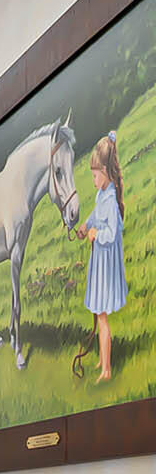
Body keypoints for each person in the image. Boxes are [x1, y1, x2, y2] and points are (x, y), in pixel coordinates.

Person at [76, 131, 128, 382]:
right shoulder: (101, 196)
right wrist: (87, 226)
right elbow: (96, 218)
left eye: (95, 175)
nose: (93, 180)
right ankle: (101, 360)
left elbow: (112, 232)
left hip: (106, 266)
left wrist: (97, 233)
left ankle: (107, 370)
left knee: (103, 317)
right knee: (98, 314)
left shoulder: (110, 200)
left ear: (106, 172)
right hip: (100, 263)